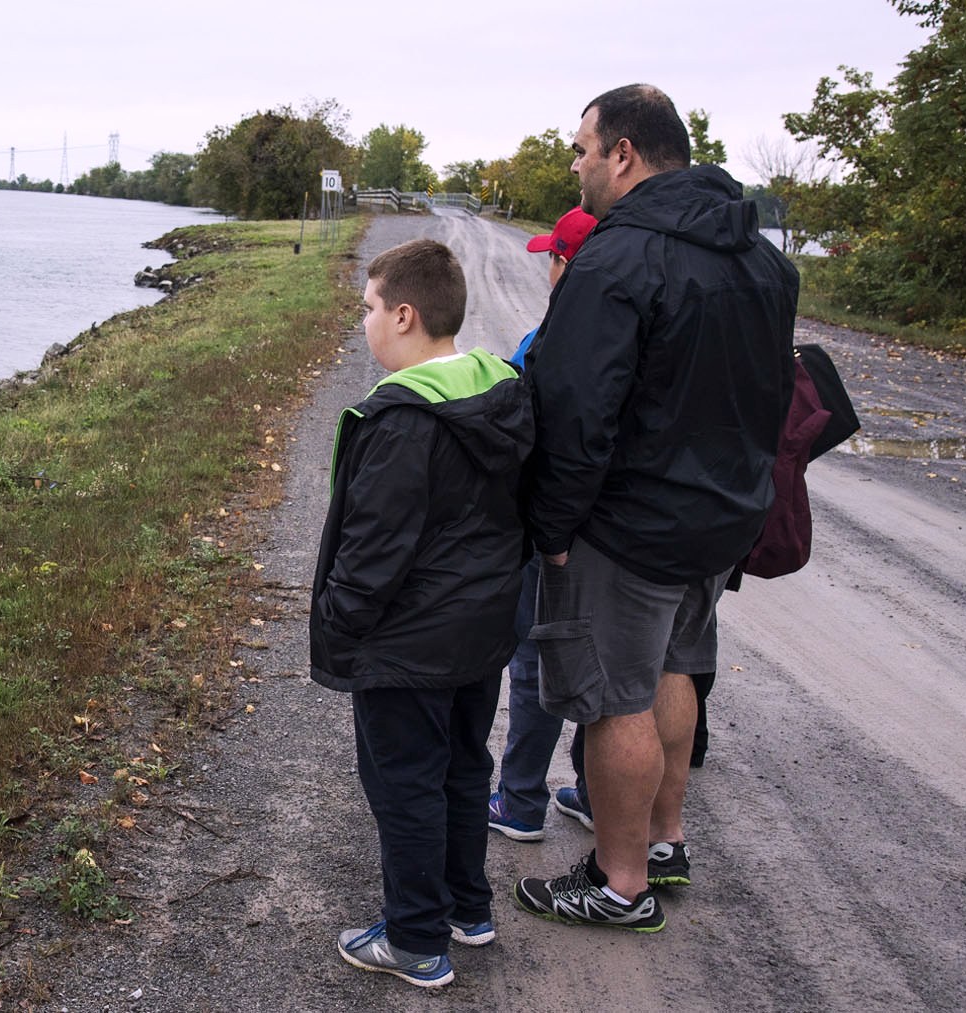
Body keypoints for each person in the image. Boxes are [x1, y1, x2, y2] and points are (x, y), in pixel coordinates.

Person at [513, 84, 795, 932]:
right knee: (676, 671)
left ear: (623, 153)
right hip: (719, 519)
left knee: (614, 700)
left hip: (629, 528)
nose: (576, 165)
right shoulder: (761, 259)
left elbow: (573, 414)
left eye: (582, 148)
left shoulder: (616, 260)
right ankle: (664, 841)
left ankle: (619, 881)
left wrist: (551, 529)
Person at [311, 239, 533, 987]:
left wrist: (339, 620)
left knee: (405, 780)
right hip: (479, 630)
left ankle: (414, 937)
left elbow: (374, 549)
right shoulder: (496, 389)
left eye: (370, 307)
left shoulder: (402, 420)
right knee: (464, 767)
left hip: (407, 641)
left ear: (404, 314)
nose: (364, 320)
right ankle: (467, 907)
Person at [486, 206, 596, 843]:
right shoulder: (637, 326)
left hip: (551, 525)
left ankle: (520, 800)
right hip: (616, 530)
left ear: (564, 263)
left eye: (551, 257)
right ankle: (590, 788)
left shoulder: (549, 338)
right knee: (607, 661)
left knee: (533, 658)